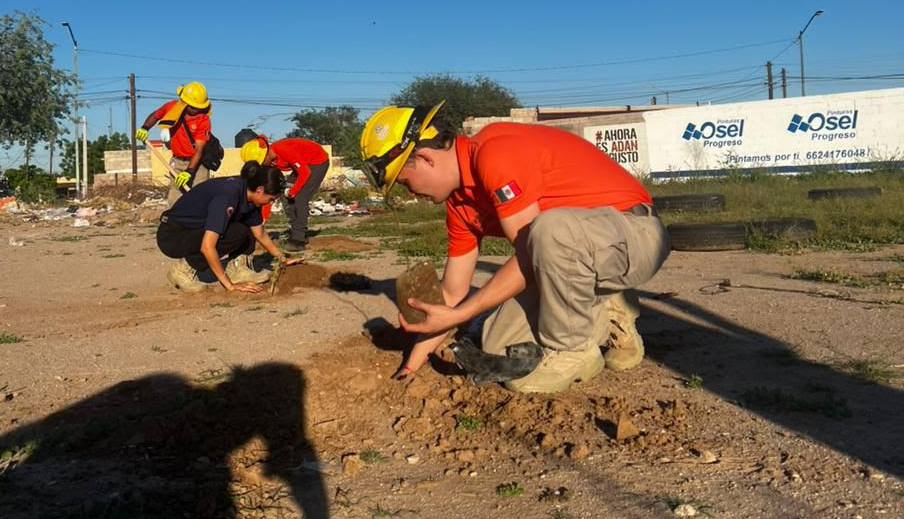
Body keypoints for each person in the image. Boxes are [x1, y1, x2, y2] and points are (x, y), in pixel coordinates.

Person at [359, 102, 670, 393]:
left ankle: (574, 349)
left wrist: (463, 314)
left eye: (404, 182)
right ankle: (606, 302)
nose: (411, 193)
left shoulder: (495, 150)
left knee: (548, 230)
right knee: (497, 345)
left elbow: (529, 252)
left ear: (426, 158)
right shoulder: (460, 206)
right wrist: (413, 362)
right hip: (577, 252)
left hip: (636, 235)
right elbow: (452, 295)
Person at [157, 161, 293, 293]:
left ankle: (238, 269)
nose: (271, 202)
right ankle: (182, 270)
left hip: (195, 230)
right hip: (174, 234)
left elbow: (259, 233)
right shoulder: (228, 196)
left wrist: (282, 258)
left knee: (245, 227)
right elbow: (207, 246)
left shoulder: (250, 196)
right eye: (271, 199)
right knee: (236, 232)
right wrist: (229, 285)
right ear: (260, 190)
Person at [235, 130, 330, 253]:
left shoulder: (285, 150)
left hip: (317, 162)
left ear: (267, 154)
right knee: (282, 191)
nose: (263, 166)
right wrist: (263, 218)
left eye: (262, 162)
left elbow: (305, 172)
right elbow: (268, 191)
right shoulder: (271, 161)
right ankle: (297, 230)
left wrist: (293, 191)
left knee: (300, 198)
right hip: (304, 165)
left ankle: (298, 239)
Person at [137, 82, 213, 206]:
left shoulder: (203, 119)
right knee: (175, 201)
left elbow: (199, 150)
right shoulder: (172, 107)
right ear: (184, 102)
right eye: (193, 106)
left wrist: (189, 172)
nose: (196, 109)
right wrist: (145, 128)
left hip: (197, 165)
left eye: (198, 107)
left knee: (200, 200)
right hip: (177, 162)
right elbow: (156, 115)